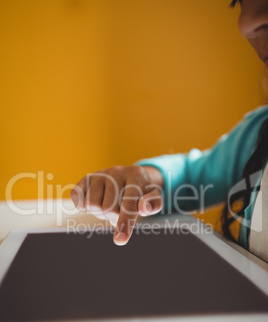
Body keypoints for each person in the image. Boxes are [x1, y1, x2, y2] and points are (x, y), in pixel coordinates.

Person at [71, 0, 268, 262]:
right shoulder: (259, 133)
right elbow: (194, 173)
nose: (245, 23)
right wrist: (143, 179)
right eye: (239, 1)